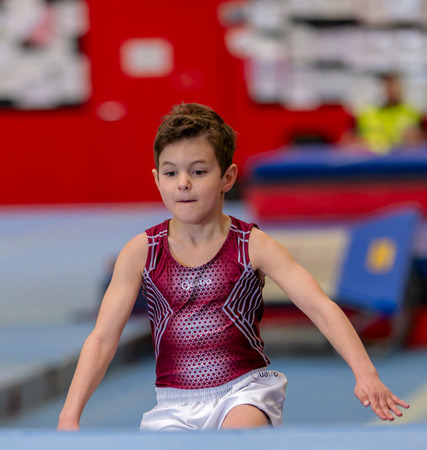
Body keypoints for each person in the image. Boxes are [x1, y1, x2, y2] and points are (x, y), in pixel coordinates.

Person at [57, 103, 409, 431]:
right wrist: (69, 415)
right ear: (156, 179)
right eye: (171, 172)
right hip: (173, 403)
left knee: (234, 442)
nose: (183, 183)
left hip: (244, 392)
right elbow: (102, 339)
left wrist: (365, 373)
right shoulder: (141, 252)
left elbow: (320, 307)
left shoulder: (253, 245)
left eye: (198, 171)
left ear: (228, 177)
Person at [341, 72, 424, 153]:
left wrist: (415, 139)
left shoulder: (413, 112)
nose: (391, 90)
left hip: (402, 158)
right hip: (371, 158)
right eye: (387, 85)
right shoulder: (366, 113)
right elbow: (349, 140)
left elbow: (420, 141)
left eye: (394, 85)